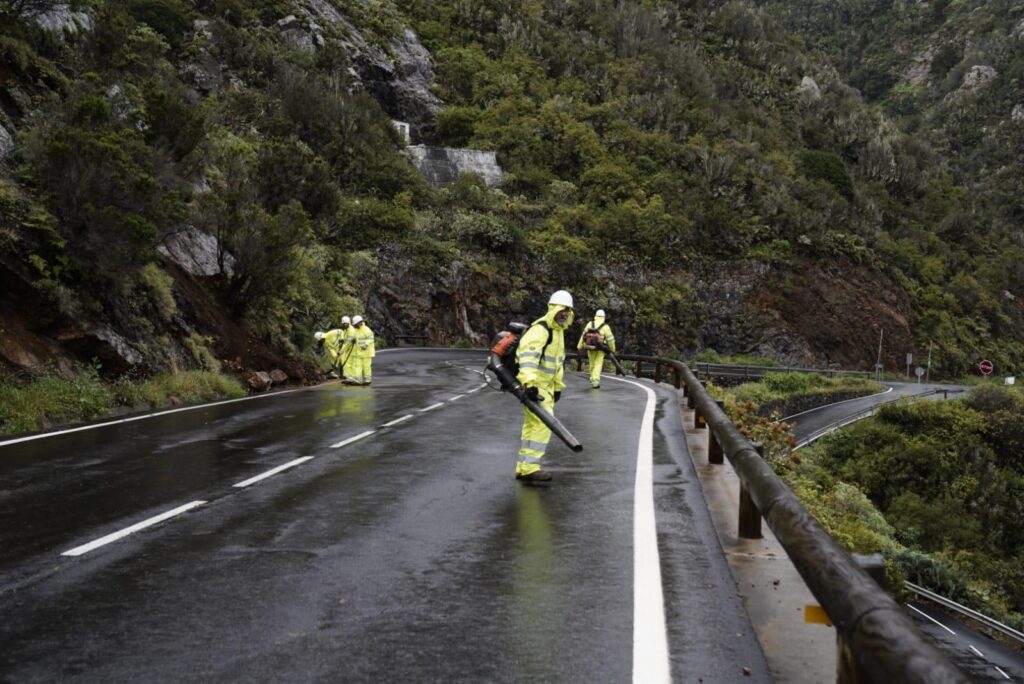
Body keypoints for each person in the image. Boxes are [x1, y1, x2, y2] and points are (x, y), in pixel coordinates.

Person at [515, 289, 574, 485]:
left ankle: (524, 467)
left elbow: (557, 363)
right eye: (562, 309)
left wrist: (557, 387)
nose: (564, 313)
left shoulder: (558, 332)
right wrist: (530, 384)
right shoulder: (541, 330)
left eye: (568, 310)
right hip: (536, 386)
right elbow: (528, 359)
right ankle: (530, 468)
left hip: (546, 388)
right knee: (542, 425)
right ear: (552, 309)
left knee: (532, 426)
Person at [577, 309, 616, 389]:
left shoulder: (590, 323)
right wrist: (612, 349)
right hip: (600, 348)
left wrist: (579, 346)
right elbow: (610, 340)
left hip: (590, 347)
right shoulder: (605, 327)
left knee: (592, 363)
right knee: (598, 364)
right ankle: (595, 381)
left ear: (596, 316)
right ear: (603, 317)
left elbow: (583, 335)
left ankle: (592, 379)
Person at [346, 315, 376, 385]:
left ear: (360, 322)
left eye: (355, 324)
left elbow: (371, 338)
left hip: (367, 352)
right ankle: (358, 380)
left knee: (366, 366)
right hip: (358, 352)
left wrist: (366, 344)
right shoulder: (356, 330)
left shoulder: (366, 329)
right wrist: (353, 340)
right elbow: (354, 338)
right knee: (357, 366)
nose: (355, 326)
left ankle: (368, 380)